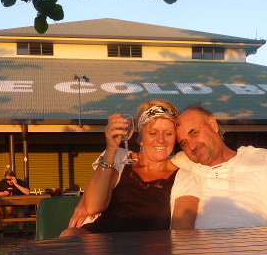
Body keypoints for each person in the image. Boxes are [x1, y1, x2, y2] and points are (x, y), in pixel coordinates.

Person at [170, 106, 267, 229]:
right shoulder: (187, 170)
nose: (191, 147)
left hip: (263, 250)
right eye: (184, 143)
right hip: (207, 254)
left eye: (194, 133)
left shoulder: (266, 158)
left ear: (212, 124)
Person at [63, 99, 180, 235]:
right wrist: (111, 149)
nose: (161, 140)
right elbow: (92, 207)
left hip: (151, 249)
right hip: (104, 241)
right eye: (153, 133)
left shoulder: (183, 168)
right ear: (141, 137)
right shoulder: (121, 158)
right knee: (70, 235)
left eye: (168, 133)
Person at [0, 170, 30, 235]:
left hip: (15, 206)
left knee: (21, 210)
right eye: (7, 179)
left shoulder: (20, 182)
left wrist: (16, 184)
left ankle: (21, 230)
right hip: (4, 206)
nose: (8, 181)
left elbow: (27, 192)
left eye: (11, 179)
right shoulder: (2, 182)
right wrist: (3, 193)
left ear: (14, 177)